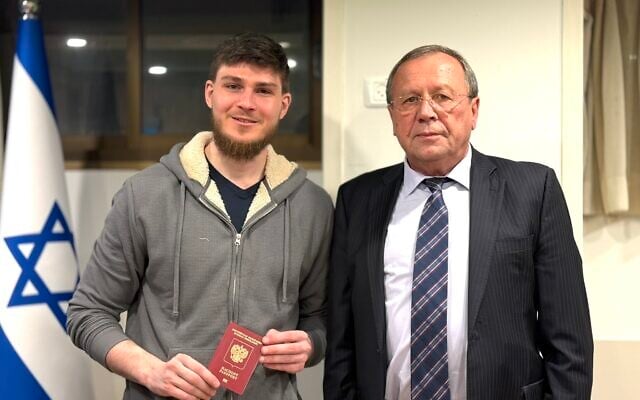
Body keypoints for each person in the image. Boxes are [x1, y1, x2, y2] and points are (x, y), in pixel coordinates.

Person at [67, 32, 333, 400]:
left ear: (284, 105)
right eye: (233, 85)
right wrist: (152, 372)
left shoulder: (314, 207)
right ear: (211, 93)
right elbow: (88, 313)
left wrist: (310, 345)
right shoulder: (143, 195)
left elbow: (321, 318)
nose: (247, 103)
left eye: (264, 91)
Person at [323, 45, 593, 400]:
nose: (426, 112)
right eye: (409, 100)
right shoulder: (356, 200)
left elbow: (569, 340)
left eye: (442, 97)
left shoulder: (533, 190)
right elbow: (342, 338)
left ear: (473, 110)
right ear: (392, 116)